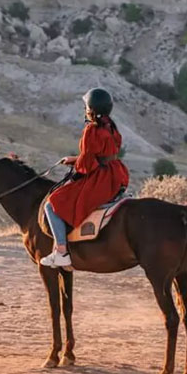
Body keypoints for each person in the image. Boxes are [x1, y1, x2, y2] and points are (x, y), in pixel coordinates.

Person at [40, 88, 130, 267]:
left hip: (100, 179)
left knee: (52, 204)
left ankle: (61, 251)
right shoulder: (111, 126)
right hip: (115, 174)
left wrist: (76, 173)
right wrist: (75, 159)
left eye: (86, 107)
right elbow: (102, 154)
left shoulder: (92, 130)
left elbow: (87, 164)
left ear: (92, 110)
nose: (85, 110)